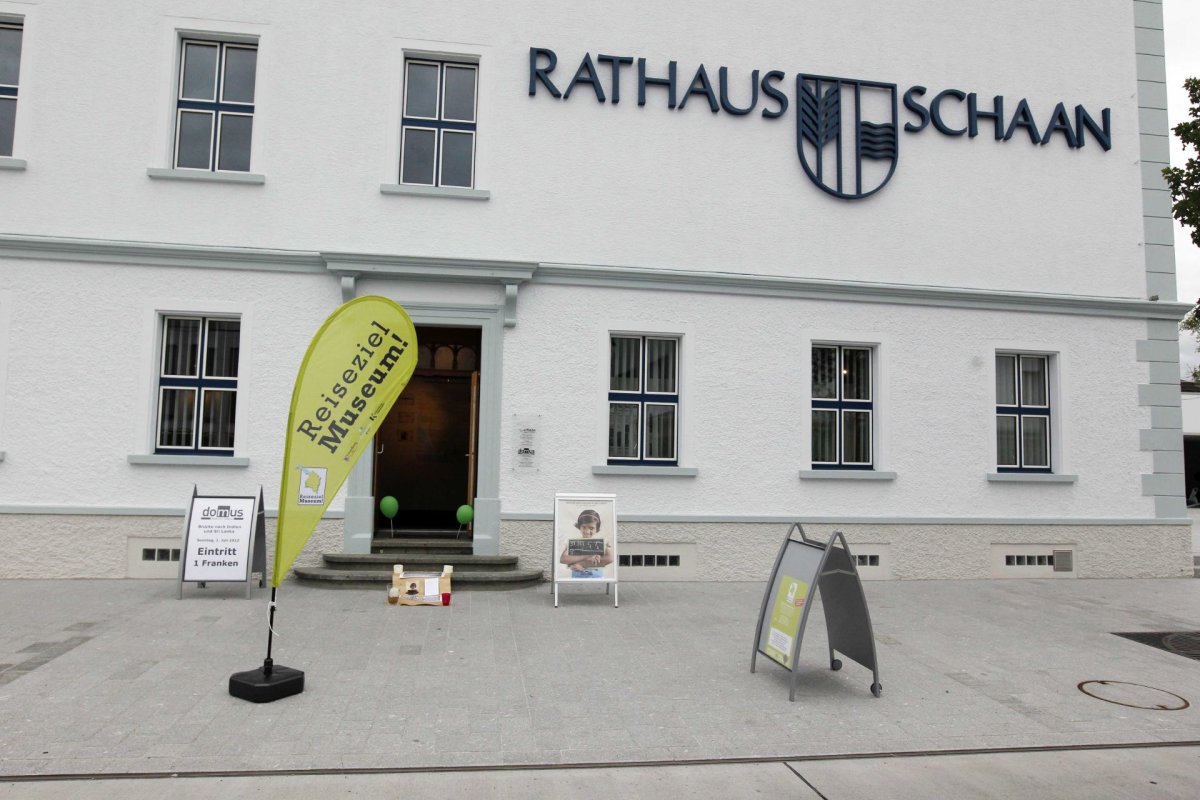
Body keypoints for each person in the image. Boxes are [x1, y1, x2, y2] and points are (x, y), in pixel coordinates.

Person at [559, 509, 613, 578]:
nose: (587, 531)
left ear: (597, 529)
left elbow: (610, 558)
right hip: (578, 576)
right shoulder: (574, 543)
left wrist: (581, 564)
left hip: (596, 577)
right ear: (579, 527)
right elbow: (563, 559)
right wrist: (588, 556)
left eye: (591, 528)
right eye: (584, 527)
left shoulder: (600, 543)